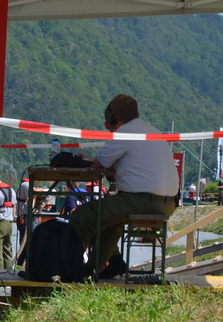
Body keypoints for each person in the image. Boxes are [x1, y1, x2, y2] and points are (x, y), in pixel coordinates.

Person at [69, 94, 177, 278]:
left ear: (113, 119)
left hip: (142, 199)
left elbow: (99, 164)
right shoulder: (152, 130)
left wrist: (91, 162)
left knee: (82, 216)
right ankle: (108, 265)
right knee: (109, 219)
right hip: (169, 202)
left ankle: (72, 270)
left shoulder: (125, 132)